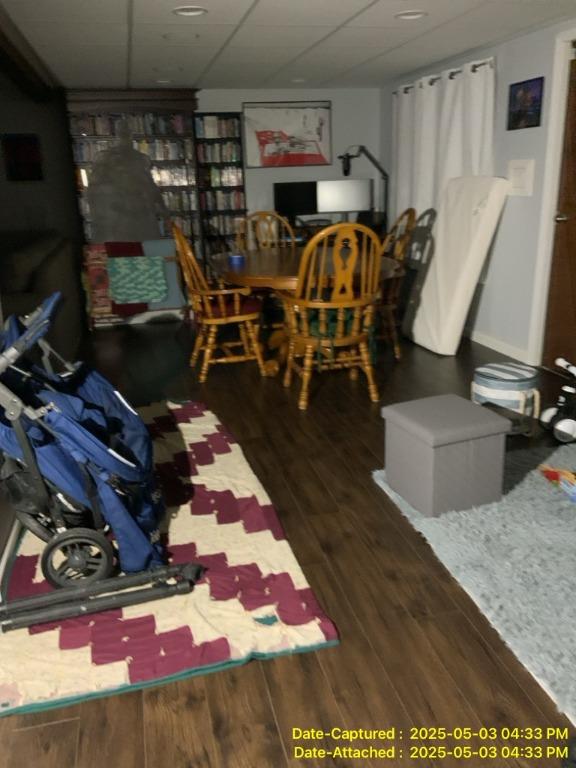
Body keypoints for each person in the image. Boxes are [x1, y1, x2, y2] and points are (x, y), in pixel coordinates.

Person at [87, 120, 168, 242]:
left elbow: (151, 188)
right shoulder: (105, 158)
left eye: (126, 133)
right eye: (123, 134)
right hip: (117, 218)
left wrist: (164, 211)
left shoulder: (140, 159)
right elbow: (93, 191)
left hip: (137, 217)